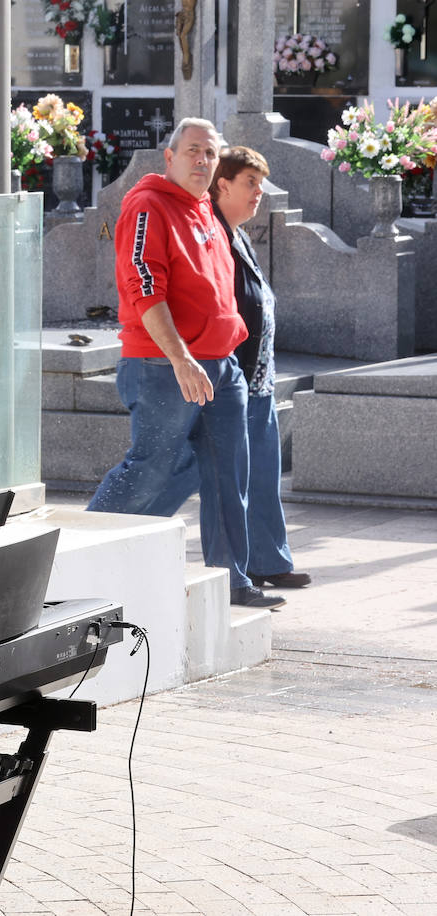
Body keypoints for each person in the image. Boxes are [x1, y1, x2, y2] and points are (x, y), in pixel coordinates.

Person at [85, 119, 285, 610]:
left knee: (225, 479)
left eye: (210, 153)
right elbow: (142, 285)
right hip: (163, 367)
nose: (202, 160)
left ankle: (232, 582)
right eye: (193, 150)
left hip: (222, 367)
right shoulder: (147, 205)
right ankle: (81, 550)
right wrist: (181, 358)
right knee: (150, 470)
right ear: (169, 157)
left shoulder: (205, 211)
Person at [160, 147, 311, 591]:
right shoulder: (212, 234)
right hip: (229, 376)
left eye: (260, 185)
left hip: (257, 378)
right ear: (221, 185)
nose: (258, 193)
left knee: (263, 475)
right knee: (228, 482)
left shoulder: (236, 234)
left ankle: (269, 560)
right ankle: (235, 571)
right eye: (250, 183)